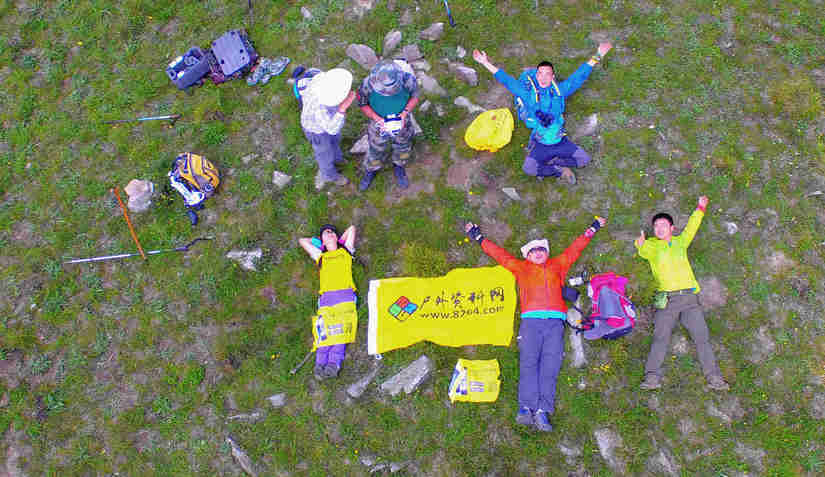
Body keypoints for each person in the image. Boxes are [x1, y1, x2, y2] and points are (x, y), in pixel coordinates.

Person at [465, 216, 607, 431]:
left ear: (547, 253)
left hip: (555, 325)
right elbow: (499, 255)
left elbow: (575, 249)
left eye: (542, 249)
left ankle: (542, 412)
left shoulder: (558, 265)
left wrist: (594, 227)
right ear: (527, 256)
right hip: (530, 323)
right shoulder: (520, 268)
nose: (539, 253)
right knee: (529, 363)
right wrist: (477, 237)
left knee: (550, 366)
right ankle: (525, 407)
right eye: (534, 251)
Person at [472, 42, 612, 184]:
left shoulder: (560, 91)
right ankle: (558, 170)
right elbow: (507, 81)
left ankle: (556, 161)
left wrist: (598, 55)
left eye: (547, 74)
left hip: (560, 142)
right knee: (529, 169)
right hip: (540, 143)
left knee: (584, 160)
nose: (543, 77)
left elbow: (579, 77)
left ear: (552, 77)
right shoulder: (527, 95)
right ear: (536, 77)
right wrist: (485, 62)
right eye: (540, 74)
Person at [635, 196, 729, 391]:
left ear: (672, 228)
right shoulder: (652, 246)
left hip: (689, 300)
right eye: (656, 226)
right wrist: (641, 244)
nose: (659, 229)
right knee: (660, 337)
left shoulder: (681, 242)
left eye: (663, 225)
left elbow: (692, 227)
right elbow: (643, 252)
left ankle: (714, 378)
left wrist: (700, 208)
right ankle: (652, 378)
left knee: (701, 337)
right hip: (668, 300)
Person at [298, 224, 357, 379]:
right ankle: (319, 364)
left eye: (332, 232)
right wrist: (319, 242)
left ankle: (333, 364)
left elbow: (351, 229)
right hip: (326, 298)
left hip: (345, 295)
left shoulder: (346, 251)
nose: (330, 233)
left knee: (340, 331)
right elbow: (303, 241)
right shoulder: (320, 256)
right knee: (323, 331)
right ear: (321, 241)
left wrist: (337, 242)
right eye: (326, 232)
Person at [356, 59, 421, 191]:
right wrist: (378, 119)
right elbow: (363, 104)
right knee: (376, 149)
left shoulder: (407, 80)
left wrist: (404, 114)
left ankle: (399, 165)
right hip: (378, 123)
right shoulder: (367, 84)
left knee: (403, 146)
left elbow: (415, 97)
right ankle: (372, 169)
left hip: (402, 121)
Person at [296, 68, 357, 187]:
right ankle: (330, 175)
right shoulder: (320, 108)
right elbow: (331, 129)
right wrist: (342, 108)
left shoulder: (319, 78)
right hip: (316, 131)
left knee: (335, 140)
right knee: (324, 153)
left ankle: (338, 158)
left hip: (328, 120)